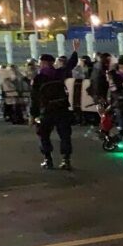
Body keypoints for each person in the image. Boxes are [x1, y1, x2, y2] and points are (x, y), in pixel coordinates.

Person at [29, 39, 81, 170]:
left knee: (43, 134)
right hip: (62, 109)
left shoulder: (38, 78)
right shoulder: (59, 73)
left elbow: (34, 98)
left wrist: (33, 115)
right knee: (64, 135)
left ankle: (48, 159)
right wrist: (75, 50)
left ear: (43, 63)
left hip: (46, 111)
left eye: (40, 62)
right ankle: (66, 160)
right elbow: (71, 64)